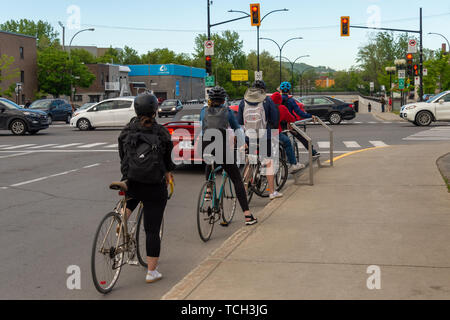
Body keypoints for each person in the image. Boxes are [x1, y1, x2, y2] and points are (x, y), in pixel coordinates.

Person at [118, 93, 175, 284]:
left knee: (132, 195)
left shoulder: (127, 130)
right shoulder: (161, 132)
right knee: (152, 230)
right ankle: (151, 272)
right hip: (154, 184)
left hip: (132, 180)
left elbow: (122, 154)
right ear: (154, 110)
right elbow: (168, 159)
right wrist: (168, 173)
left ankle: (122, 217)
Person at [200, 86, 257, 226]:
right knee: (237, 179)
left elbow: (202, 128)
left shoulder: (203, 111)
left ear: (210, 99)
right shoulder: (228, 112)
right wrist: (243, 145)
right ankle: (248, 216)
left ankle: (208, 190)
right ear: (224, 99)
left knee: (210, 161)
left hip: (205, 144)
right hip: (221, 147)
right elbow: (238, 130)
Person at [238, 80, 283, 201]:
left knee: (250, 161)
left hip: (249, 135)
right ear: (264, 90)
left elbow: (240, 121)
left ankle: (245, 188)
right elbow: (274, 119)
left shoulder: (243, 101)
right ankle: (272, 192)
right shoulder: (267, 101)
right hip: (264, 135)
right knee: (268, 162)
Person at [279, 81, 320, 157]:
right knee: (302, 138)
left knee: (283, 141)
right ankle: (313, 152)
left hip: (278, 124)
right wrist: (310, 116)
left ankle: (281, 159)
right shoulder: (291, 100)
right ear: (289, 90)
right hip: (289, 124)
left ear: (280, 90)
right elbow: (299, 112)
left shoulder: (277, 99)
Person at [271, 91, 305, 173]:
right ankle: (294, 164)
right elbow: (291, 118)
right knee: (287, 142)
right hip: (275, 132)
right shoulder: (282, 108)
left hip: (262, 132)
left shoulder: (267, 107)